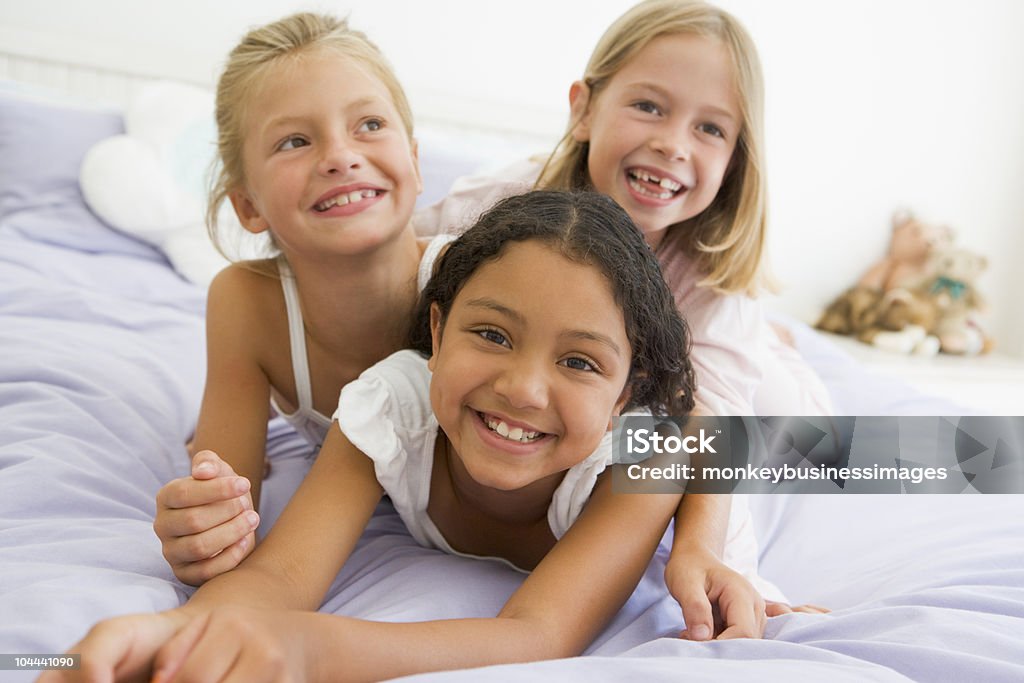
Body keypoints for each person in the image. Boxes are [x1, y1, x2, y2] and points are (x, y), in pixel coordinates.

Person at [42, 189, 715, 683]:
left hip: (697, 424)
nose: (523, 389)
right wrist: (164, 635)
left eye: (579, 361)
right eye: (491, 334)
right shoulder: (395, 402)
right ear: (437, 331)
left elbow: (537, 633)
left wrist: (305, 649)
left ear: (625, 392)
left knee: (794, 443)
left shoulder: (648, 452)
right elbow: (276, 578)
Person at [412, 0, 830, 633]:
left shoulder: (710, 284)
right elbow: (398, 268)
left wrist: (712, 558)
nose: (672, 143)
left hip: (729, 381)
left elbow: (706, 435)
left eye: (710, 129)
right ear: (583, 109)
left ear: (736, 160)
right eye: (649, 107)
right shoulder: (499, 208)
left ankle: (776, 345)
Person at [151, 12, 450, 586]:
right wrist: (203, 531)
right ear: (248, 206)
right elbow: (228, 503)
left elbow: (650, 429)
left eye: (368, 124)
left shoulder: (475, 278)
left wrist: (682, 529)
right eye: (295, 140)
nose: (339, 156)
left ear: (414, 161)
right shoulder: (247, 303)